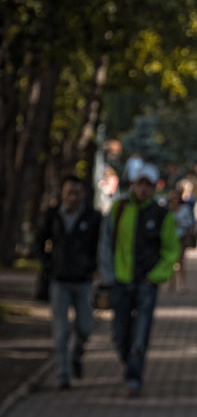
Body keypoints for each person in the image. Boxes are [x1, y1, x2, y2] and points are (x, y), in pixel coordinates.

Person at [99, 162, 179, 397]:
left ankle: (134, 377)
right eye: (140, 184)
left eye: (149, 185)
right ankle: (129, 363)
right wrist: (108, 273)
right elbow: (106, 242)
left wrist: (155, 276)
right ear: (134, 184)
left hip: (145, 283)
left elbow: (171, 249)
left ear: (155, 187)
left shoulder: (161, 215)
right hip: (120, 280)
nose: (144, 189)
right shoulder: (120, 208)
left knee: (140, 333)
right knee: (120, 332)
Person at [36, 175, 102, 389]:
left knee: (85, 326)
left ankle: (77, 352)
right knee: (61, 330)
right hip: (59, 281)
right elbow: (40, 241)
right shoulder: (53, 216)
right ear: (62, 194)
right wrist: (48, 265)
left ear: (83, 194)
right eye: (69, 193)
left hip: (83, 281)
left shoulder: (93, 217)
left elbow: (99, 246)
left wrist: (93, 267)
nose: (73, 197)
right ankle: (63, 375)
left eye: (77, 193)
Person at [167, 188, 196, 292]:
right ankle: (171, 282)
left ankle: (181, 283)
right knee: (171, 261)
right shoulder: (168, 209)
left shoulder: (185, 209)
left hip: (181, 237)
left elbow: (190, 223)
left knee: (180, 261)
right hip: (170, 238)